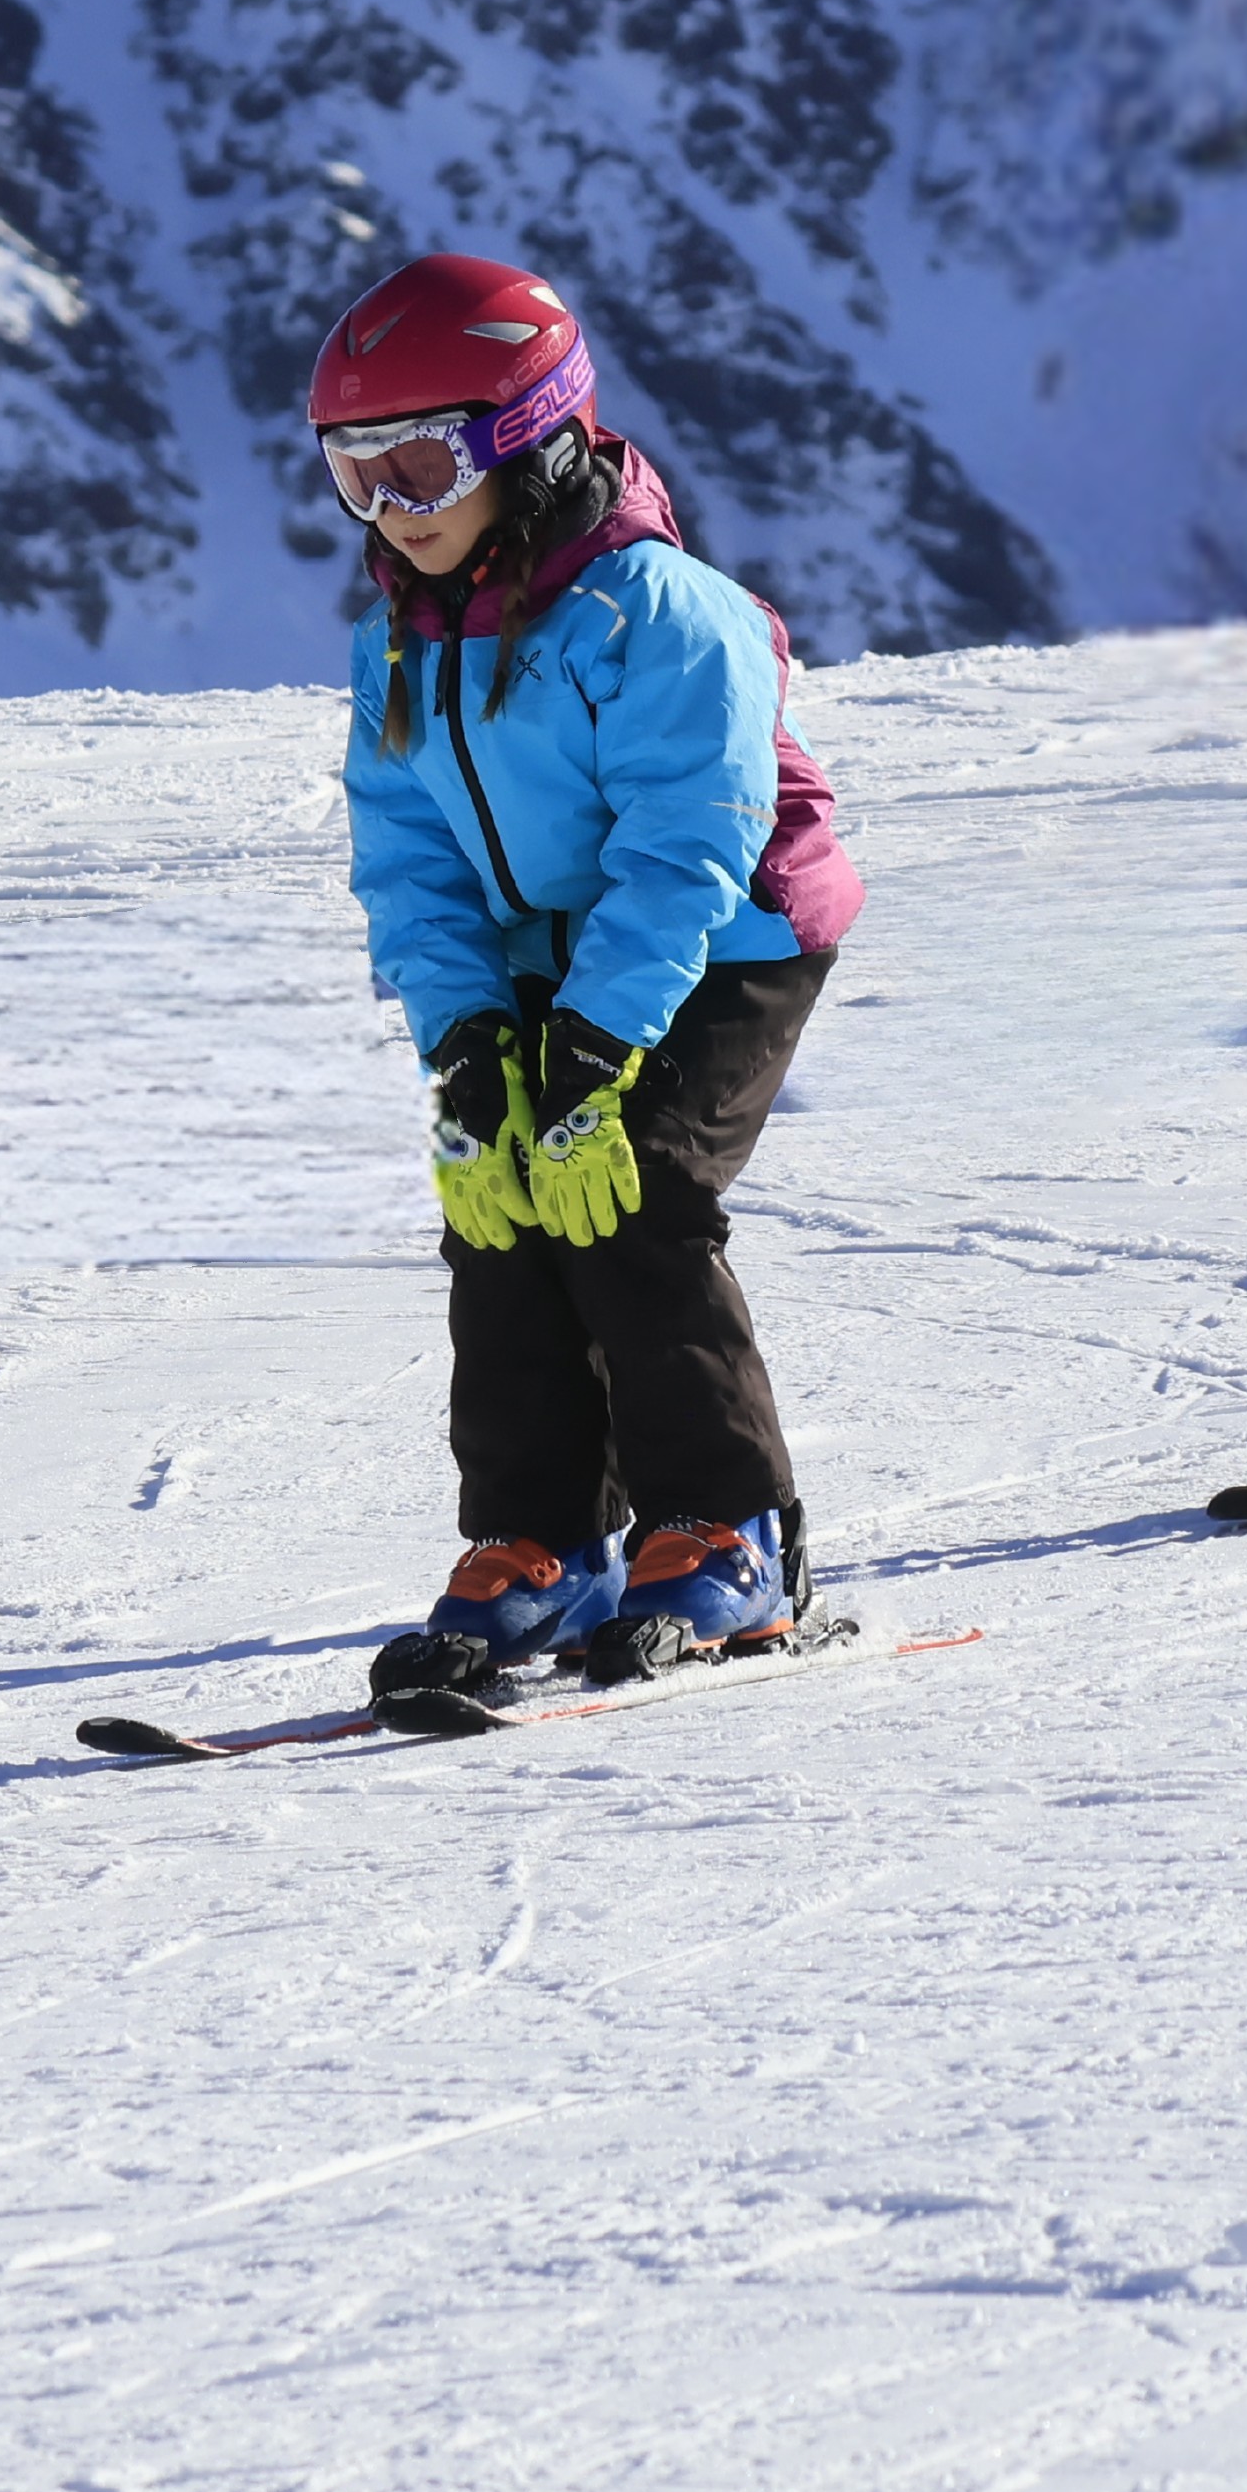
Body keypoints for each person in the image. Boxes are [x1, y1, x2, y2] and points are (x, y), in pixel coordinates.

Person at [318, 254, 866, 1701]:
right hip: (548, 964)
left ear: (526, 434)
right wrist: (471, 1043)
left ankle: (731, 1526)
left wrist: (594, 1040)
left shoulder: (658, 610)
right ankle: (544, 1539)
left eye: (419, 463)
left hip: (730, 931)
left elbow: (691, 845)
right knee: (498, 1193)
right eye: (352, 473)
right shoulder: (398, 640)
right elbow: (412, 866)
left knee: (628, 1183)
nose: (391, 509)